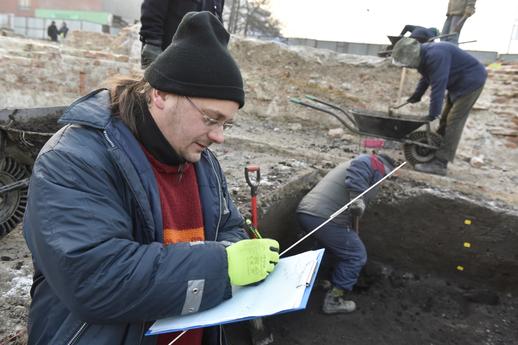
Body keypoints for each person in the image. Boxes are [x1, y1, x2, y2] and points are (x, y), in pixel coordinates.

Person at [23, 11, 279, 345]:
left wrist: (236, 253)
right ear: (160, 94)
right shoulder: (74, 159)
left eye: (226, 123)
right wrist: (222, 267)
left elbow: (228, 229)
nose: (219, 136)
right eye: (210, 118)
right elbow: (96, 280)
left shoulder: (202, 162)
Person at [296, 154, 395, 315]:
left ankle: (310, 282)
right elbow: (362, 162)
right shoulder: (372, 163)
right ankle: (334, 301)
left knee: (327, 248)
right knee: (356, 255)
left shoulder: (353, 167)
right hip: (324, 217)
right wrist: (357, 199)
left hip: (308, 214)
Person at [391, 37, 487, 176]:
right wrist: (418, 93)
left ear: (412, 56)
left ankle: (440, 164)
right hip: (458, 83)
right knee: (445, 120)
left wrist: (432, 113)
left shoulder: (436, 55)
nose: (406, 67)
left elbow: (438, 85)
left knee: (454, 121)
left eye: (406, 64)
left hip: (471, 82)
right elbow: (426, 75)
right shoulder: (424, 54)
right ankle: (433, 153)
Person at [139, 0, 224, 69]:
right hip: (165, 60)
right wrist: (152, 42)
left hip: (197, 66)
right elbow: (153, 8)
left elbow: (217, 26)